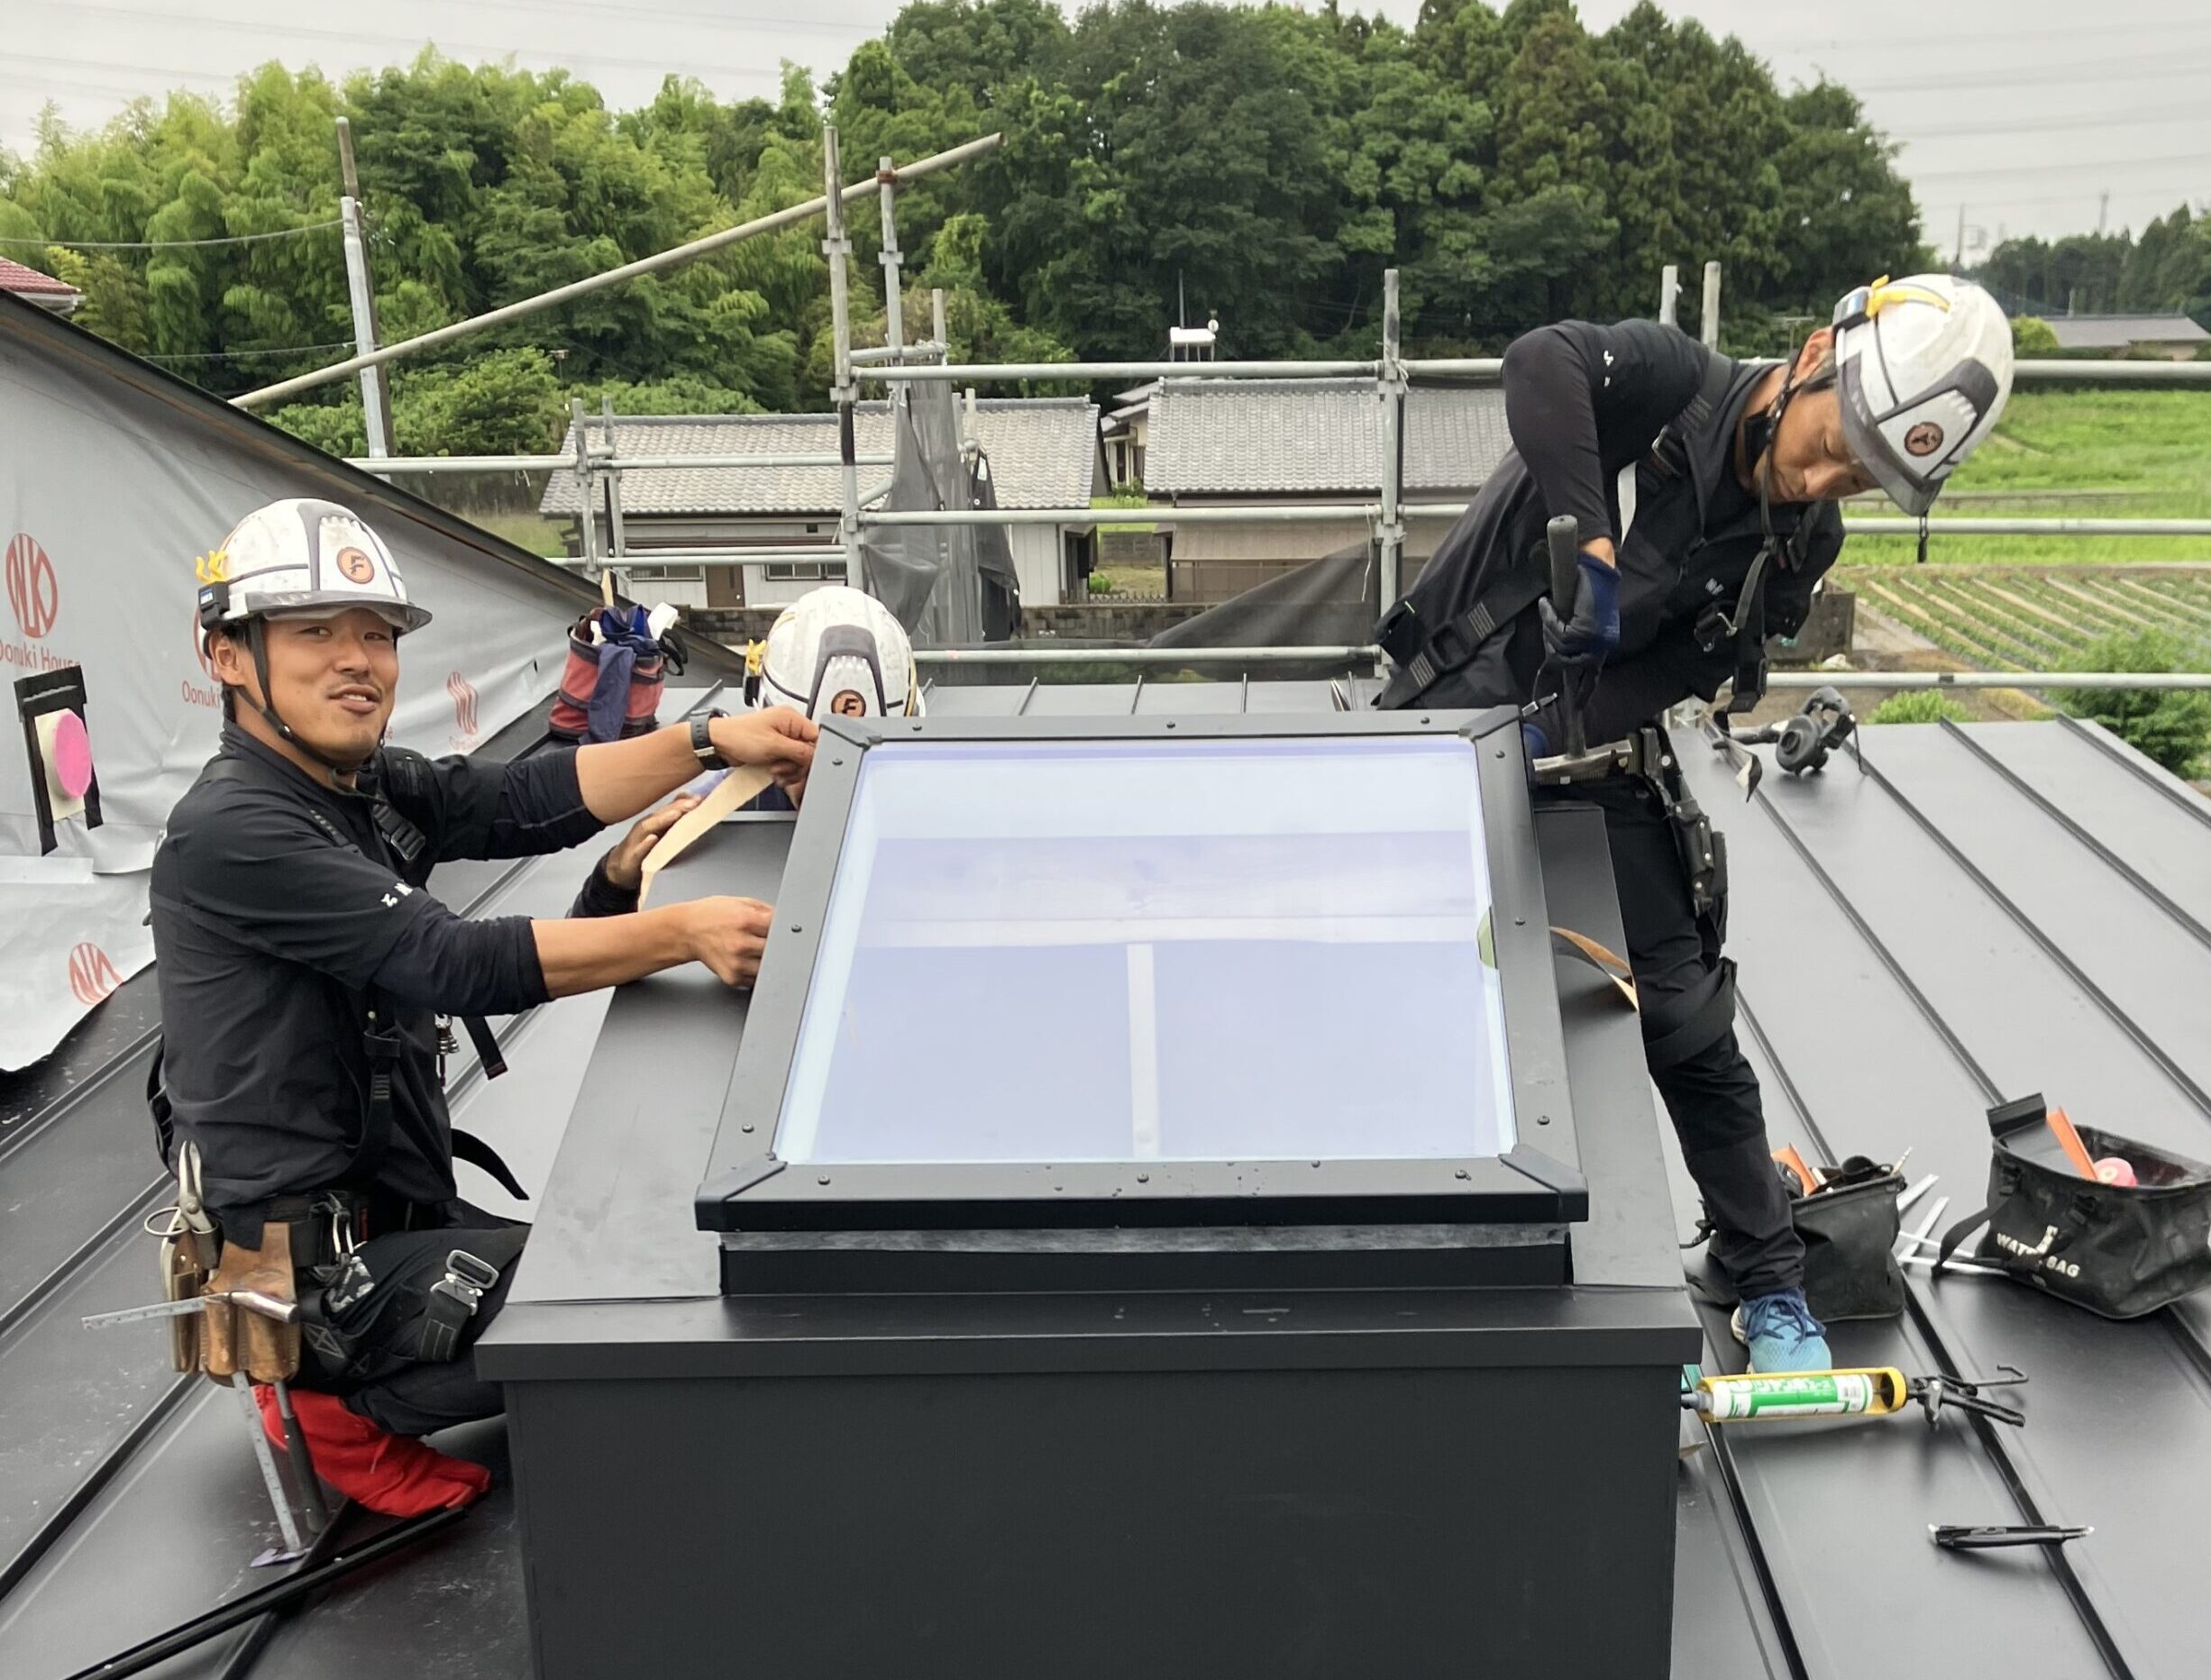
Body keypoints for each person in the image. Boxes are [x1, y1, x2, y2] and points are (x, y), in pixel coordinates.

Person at [1375, 275, 2013, 1371]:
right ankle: (1415, 1267)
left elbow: (1693, 663)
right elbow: (1539, 362)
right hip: (1436, 729)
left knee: (1682, 1018)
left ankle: (1766, 1284)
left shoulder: (1797, 547)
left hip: (1583, 752)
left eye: (1856, 475)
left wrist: (1562, 729)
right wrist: (1587, 544)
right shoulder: (1670, 390)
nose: (1819, 476)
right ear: (1815, 355)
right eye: (1831, 438)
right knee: (1427, 1002)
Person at [150, 498, 817, 1511]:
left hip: (389, 1218)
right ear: (229, 657)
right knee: (652, 1303)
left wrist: (713, 739)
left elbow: (513, 801)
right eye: (315, 633)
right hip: (326, 1278)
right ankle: (321, 1392)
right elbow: (451, 959)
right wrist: (680, 930)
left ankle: (350, 1359)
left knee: (640, 1269)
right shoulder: (236, 830)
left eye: (374, 634)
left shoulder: (352, 783)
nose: (356, 660)